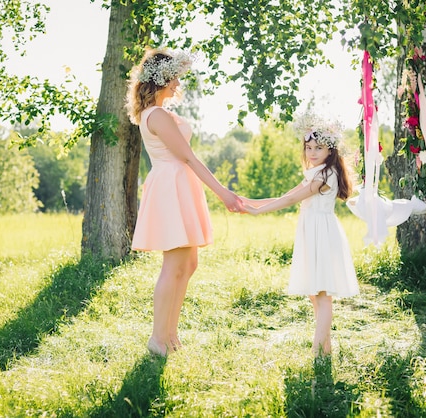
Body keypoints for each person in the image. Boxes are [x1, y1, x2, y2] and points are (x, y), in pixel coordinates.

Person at [126, 48, 244, 357]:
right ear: (163, 79)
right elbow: (187, 156)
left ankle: (170, 333)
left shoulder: (160, 112)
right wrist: (223, 193)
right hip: (171, 187)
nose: (179, 82)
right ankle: (157, 338)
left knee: (188, 263)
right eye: (176, 76)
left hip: (179, 185)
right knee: (174, 264)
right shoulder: (156, 115)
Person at [241, 113, 360, 357]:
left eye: (318, 147)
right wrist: (249, 202)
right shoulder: (315, 174)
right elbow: (286, 196)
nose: (312, 152)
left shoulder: (325, 175)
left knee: (322, 293)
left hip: (322, 233)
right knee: (314, 292)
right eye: (308, 148)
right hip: (312, 231)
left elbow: (294, 199)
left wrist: (258, 212)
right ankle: (325, 349)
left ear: (330, 150)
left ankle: (318, 351)